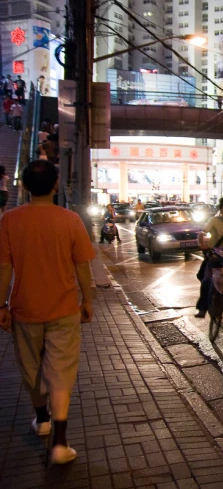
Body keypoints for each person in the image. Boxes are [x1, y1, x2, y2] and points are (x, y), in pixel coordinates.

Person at [0, 160, 95, 464]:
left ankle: (42, 419)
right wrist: (87, 301)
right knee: (61, 372)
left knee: (31, 370)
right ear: (56, 186)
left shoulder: (9, 220)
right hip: (64, 308)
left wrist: (1, 305)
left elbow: (4, 268)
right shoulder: (70, 221)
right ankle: (60, 442)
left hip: (25, 308)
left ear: (24, 187)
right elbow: (83, 267)